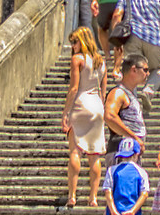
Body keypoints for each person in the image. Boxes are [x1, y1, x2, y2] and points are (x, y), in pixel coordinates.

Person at [64, 26, 107, 210]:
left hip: (81, 103)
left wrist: (66, 112)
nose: (72, 46)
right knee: (94, 155)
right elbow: (103, 92)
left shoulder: (78, 59)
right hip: (97, 105)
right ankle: (93, 197)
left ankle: (72, 195)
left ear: (82, 41)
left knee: (75, 151)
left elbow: (74, 88)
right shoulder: (101, 61)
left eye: (74, 42)